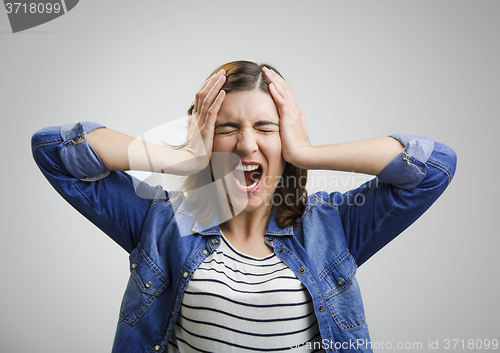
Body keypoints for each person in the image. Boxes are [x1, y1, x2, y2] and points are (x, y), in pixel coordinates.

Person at [31, 60, 457, 353]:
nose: (247, 143)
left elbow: (434, 166)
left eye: (265, 128)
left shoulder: (335, 226)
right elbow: (54, 150)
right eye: (227, 128)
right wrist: (180, 158)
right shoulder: (162, 221)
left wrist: (307, 151)